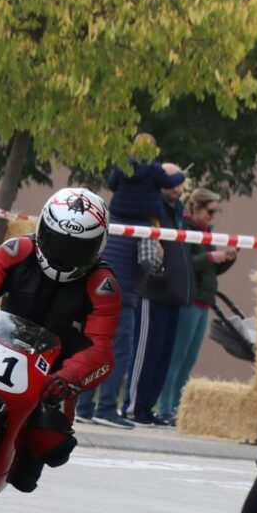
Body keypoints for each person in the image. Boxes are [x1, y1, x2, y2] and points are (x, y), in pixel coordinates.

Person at [0, 187, 121, 491]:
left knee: (48, 446)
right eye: (57, 241)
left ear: (97, 246)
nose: (63, 256)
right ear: (41, 230)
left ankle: (11, 459)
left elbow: (100, 348)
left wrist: (66, 379)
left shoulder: (104, 286)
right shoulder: (16, 252)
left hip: (52, 375)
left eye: (76, 248)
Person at [75, 136, 185, 428]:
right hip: (123, 295)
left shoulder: (112, 219)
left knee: (93, 346)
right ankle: (107, 408)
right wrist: (159, 255)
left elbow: (112, 182)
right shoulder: (146, 227)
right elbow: (150, 263)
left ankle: (84, 405)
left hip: (99, 286)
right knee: (118, 351)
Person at [155, 187, 236, 425]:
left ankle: (177, 408)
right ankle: (165, 407)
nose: (212, 216)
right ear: (196, 208)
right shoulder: (188, 230)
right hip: (189, 300)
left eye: (215, 212)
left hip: (203, 301)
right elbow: (186, 264)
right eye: (210, 211)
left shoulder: (204, 232)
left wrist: (227, 259)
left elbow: (209, 269)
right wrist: (211, 257)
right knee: (177, 357)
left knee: (189, 358)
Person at [124, 163, 195, 426]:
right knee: (145, 353)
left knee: (163, 356)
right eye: (171, 181)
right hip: (152, 290)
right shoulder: (152, 207)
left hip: (172, 293)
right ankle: (133, 407)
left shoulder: (177, 212)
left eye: (179, 183)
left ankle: (147, 407)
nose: (176, 187)